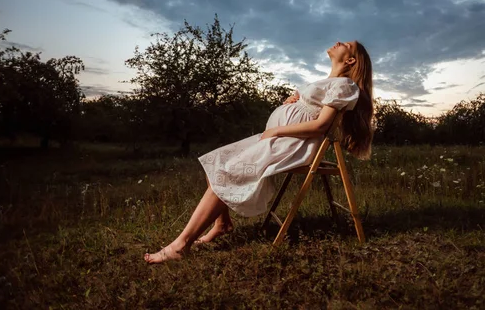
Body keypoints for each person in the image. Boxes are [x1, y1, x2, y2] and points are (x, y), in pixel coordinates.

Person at [144, 40, 373, 263]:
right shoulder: (328, 82)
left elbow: (320, 126)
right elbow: (310, 108)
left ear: (351, 59)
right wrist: (293, 102)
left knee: (226, 173)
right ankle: (222, 225)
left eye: (346, 44)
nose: (338, 42)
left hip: (291, 143)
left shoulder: (345, 86)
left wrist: (277, 131)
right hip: (278, 137)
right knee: (217, 160)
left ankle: (180, 245)